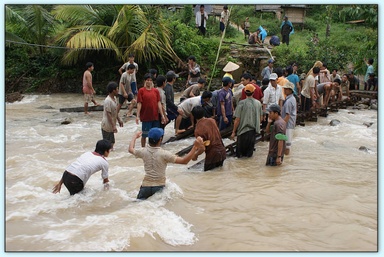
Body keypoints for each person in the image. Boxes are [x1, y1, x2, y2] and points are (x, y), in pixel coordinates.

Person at [128, 128, 202, 200]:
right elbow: (184, 161)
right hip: (159, 186)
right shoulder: (164, 154)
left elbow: (130, 149)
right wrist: (195, 147)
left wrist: (134, 137)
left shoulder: (143, 152)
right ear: (160, 140)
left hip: (145, 186)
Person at [230, 84, 263, 158]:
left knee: (239, 156)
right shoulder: (258, 103)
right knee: (249, 156)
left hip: (242, 132)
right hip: (252, 132)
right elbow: (261, 118)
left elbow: (237, 119)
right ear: (253, 92)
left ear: (244, 93)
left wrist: (233, 132)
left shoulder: (241, 103)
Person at [191, 106, 227, 171]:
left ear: (193, 116)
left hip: (212, 155)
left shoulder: (197, 129)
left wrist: (195, 155)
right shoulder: (212, 121)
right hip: (222, 151)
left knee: (208, 177)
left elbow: (202, 148)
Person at [136, 73, 166, 147]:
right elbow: (139, 103)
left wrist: (162, 115)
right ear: (145, 81)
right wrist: (137, 115)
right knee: (144, 135)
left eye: (150, 80)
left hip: (155, 116)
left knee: (155, 134)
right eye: (147, 80)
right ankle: (143, 149)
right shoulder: (141, 91)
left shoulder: (155, 91)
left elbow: (159, 103)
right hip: (146, 117)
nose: (149, 82)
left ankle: (154, 148)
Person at [101, 82, 123, 149]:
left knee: (112, 143)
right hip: (107, 125)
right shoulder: (108, 101)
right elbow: (108, 114)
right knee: (107, 145)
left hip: (111, 124)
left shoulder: (114, 98)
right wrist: (113, 126)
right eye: (117, 89)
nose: (118, 90)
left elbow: (115, 111)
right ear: (113, 90)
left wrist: (119, 120)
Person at [281, 82, 296, 155]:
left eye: (286, 89)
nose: (284, 90)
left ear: (290, 90)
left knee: (287, 145)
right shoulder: (292, 99)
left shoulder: (289, 101)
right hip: (290, 124)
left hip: (288, 125)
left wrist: (281, 125)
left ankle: (286, 157)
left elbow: (287, 115)